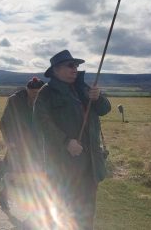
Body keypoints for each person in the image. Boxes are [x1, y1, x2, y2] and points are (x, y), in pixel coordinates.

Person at [33, 50, 111, 230]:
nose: (75, 68)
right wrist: (66, 142)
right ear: (56, 70)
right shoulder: (46, 93)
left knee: (87, 210)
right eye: (70, 65)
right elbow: (42, 123)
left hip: (90, 164)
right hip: (63, 165)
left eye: (76, 65)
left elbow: (105, 109)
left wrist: (98, 98)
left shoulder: (84, 88)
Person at [0, 77, 45, 211]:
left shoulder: (45, 100)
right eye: (33, 93)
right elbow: (4, 123)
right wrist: (9, 141)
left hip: (37, 147)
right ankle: (3, 194)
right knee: (14, 175)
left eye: (38, 93)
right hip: (17, 145)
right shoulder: (15, 100)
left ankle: (34, 207)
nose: (36, 96)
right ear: (27, 90)